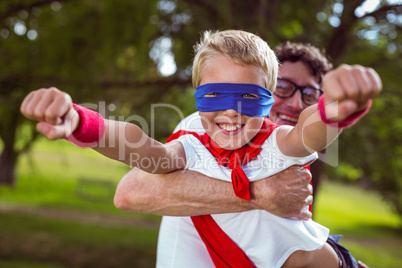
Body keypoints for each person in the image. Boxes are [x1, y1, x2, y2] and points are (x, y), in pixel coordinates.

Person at [20, 30, 381, 267]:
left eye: (248, 98)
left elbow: (308, 132)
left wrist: (338, 107)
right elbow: (142, 147)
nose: (230, 111)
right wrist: (80, 122)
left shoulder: (276, 142)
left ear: (266, 100)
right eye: (214, 96)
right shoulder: (193, 145)